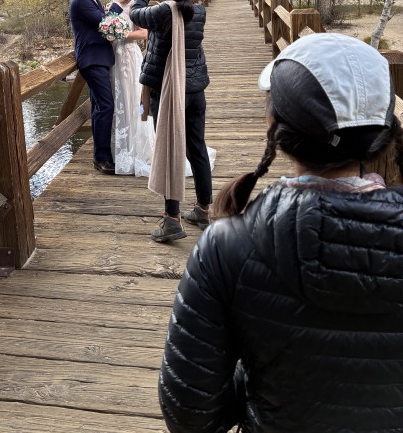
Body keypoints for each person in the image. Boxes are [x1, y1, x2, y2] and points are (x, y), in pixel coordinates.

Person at [159, 32, 403, 433]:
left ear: (274, 125)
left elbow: (190, 415)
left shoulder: (227, 245)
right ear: (384, 130)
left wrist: (257, 374)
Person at [130, 0, 210, 241]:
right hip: (195, 90)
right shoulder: (199, 11)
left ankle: (172, 220)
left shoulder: (163, 11)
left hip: (168, 91)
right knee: (197, 148)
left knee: (168, 148)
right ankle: (202, 209)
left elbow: (135, 13)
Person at [69, 0, 126, 174]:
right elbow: (105, 24)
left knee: (99, 107)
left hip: (98, 58)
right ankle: (102, 158)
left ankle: (100, 155)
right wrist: (117, 4)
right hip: (91, 60)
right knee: (106, 106)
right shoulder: (80, 1)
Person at [108, 0, 155, 176]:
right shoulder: (111, 5)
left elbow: (144, 32)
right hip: (114, 59)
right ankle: (121, 149)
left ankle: (138, 148)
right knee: (119, 100)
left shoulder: (135, 5)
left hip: (129, 57)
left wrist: (123, 34)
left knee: (134, 98)